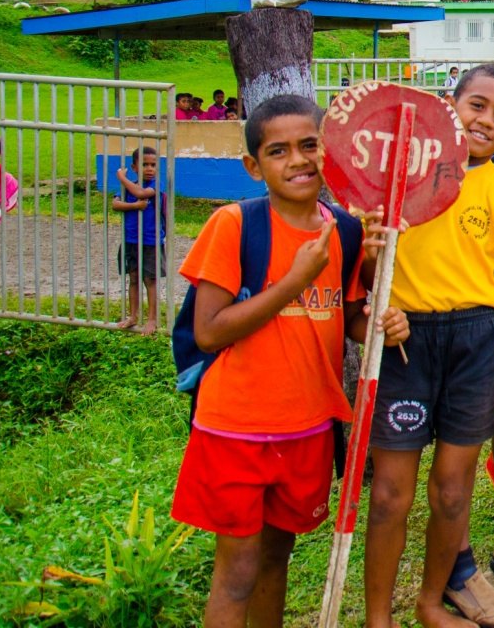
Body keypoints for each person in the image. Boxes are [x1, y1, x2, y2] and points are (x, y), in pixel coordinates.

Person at [170, 94, 408, 628]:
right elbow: (208, 332)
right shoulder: (234, 225)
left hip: (307, 427)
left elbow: (347, 315)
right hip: (235, 429)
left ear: (332, 153)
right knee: (237, 570)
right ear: (254, 166)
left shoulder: (344, 230)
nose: (298, 160)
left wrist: (380, 324)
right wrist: (295, 281)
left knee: (277, 558)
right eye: (279, 151)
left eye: (310, 146)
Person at [364, 65, 494, 628]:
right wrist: (370, 259)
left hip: (475, 343)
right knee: (391, 495)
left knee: (449, 492)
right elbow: (368, 270)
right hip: (402, 342)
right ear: (449, 105)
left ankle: (429, 601)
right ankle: (377, 619)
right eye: (476, 105)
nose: (485, 120)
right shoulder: (397, 178)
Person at [112, 146, 165, 334]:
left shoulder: (156, 186)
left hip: (150, 240)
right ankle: (133, 316)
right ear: (134, 167)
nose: (149, 169)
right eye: (144, 165)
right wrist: (134, 205)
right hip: (131, 239)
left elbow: (142, 194)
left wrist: (122, 178)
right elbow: (115, 204)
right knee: (133, 278)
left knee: (150, 280)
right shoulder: (128, 187)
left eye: (153, 165)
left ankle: (152, 319)